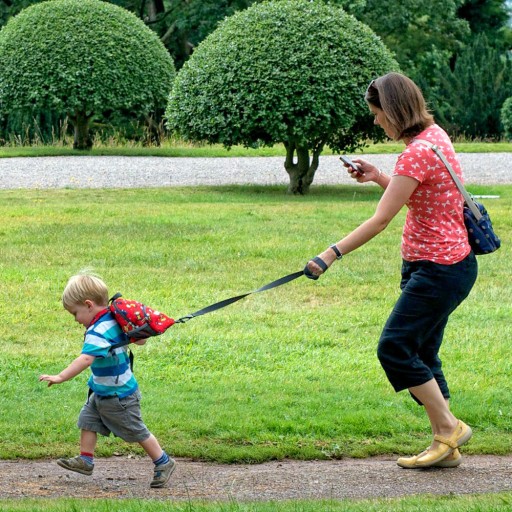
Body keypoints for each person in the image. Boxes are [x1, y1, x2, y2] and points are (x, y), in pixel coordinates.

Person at [305, 72, 478, 469]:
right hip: (448, 265)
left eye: (377, 113)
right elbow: (416, 192)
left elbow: (381, 220)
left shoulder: (417, 151)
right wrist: (378, 177)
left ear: (394, 110)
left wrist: (330, 254)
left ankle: (448, 428)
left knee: (395, 348)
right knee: (423, 353)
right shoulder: (435, 136)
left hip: (438, 269)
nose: (376, 121)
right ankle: (445, 444)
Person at [39, 272, 175, 488]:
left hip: (119, 395)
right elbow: (140, 342)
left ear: (88, 305)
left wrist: (60, 376)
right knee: (88, 421)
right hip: (101, 390)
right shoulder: (114, 318)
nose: (76, 320)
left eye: (75, 313)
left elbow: (85, 359)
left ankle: (163, 462)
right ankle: (86, 460)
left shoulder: (97, 330)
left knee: (136, 430)